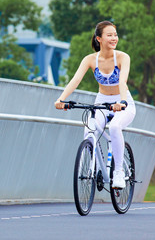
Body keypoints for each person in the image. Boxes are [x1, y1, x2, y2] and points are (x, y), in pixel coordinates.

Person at [54, 21, 136, 189]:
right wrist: (60, 99)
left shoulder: (122, 57)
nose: (114, 38)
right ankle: (95, 167)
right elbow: (75, 80)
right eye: (109, 35)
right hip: (102, 101)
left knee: (114, 127)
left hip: (123, 101)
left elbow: (123, 81)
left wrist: (121, 101)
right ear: (99, 38)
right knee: (90, 129)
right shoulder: (90, 60)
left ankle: (118, 172)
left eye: (115, 35)